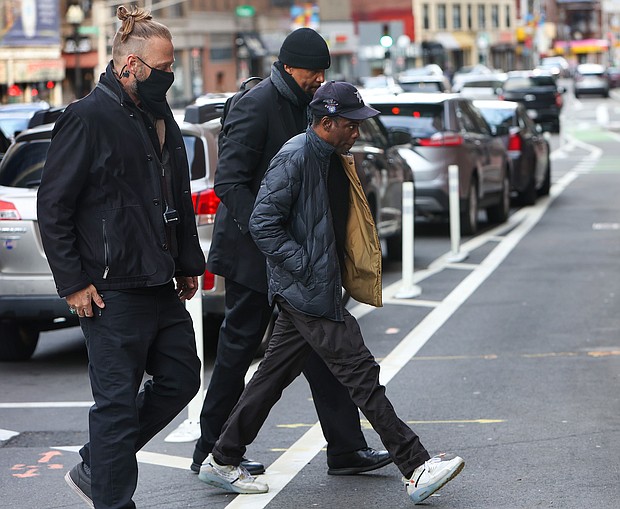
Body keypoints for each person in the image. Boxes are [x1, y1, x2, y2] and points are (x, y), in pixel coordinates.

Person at [198, 81, 465, 504]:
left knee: (270, 379)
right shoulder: (295, 157)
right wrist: (305, 265)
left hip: (310, 288)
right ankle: (415, 466)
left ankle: (222, 457)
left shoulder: (327, 156)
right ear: (325, 123)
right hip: (307, 290)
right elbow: (263, 223)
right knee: (361, 375)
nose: (357, 131)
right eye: (350, 124)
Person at [192, 27, 390, 477]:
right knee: (239, 351)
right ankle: (210, 450)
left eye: (324, 71)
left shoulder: (309, 105)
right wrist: (272, 243)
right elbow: (229, 183)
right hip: (254, 255)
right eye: (313, 71)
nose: (320, 79)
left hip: (299, 254)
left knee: (323, 350)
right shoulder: (256, 105)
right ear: (288, 66)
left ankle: (345, 449)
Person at [37, 6, 204, 509]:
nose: (169, 77)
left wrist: (187, 261)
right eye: (162, 68)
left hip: (157, 279)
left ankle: (99, 465)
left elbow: (175, 191)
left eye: (173, 67)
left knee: (181, 378)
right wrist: (72, 282)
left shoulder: (159, 115)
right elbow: (54, 205)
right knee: (114, 405)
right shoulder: (86, 117)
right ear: (130, 65)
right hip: (109, 290)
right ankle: (112, 497)